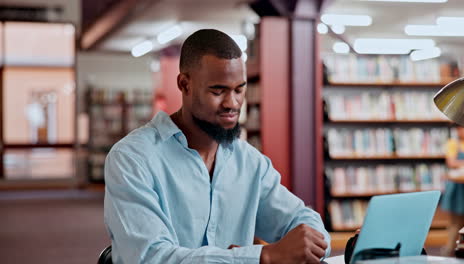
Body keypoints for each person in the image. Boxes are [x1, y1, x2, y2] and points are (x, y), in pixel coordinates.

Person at [104, 29, 331, 263]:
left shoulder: (251, 163)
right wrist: (260, 256)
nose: (232, 103)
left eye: (239, 89)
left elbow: (302, 219)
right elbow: (150, 257)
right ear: (184, 84)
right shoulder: (132, 158)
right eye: (218, 90)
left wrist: (308, 242)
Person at [441, 125, 464, 256]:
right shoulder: (453, 143)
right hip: (458, 189)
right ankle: (449, 251)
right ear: (458, 130)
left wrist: (461, 162)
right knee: (455, 223)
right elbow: (451, 163)